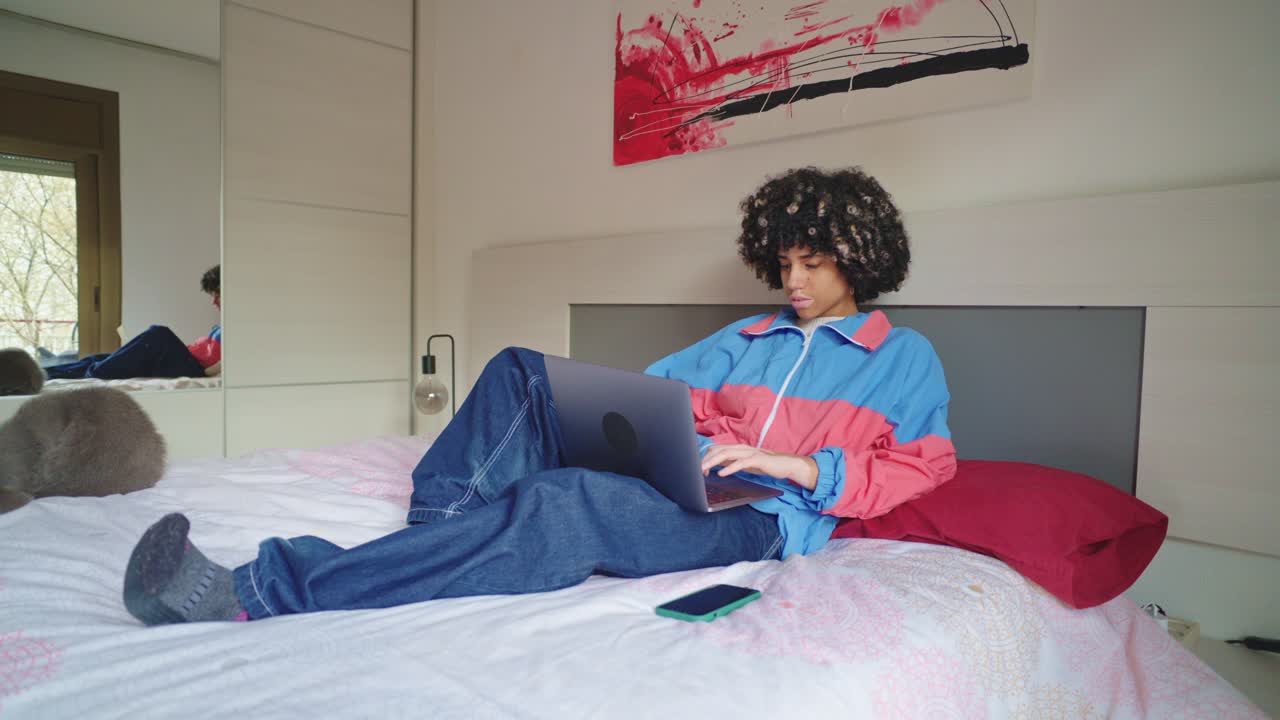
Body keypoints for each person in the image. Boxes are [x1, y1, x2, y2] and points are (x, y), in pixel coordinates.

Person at [121, 167, 957, 625]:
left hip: (759, 519)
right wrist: (697, 434)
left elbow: (921, 467)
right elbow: (652, 397)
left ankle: (258, 591)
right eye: (783, 263)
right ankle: (447, 540)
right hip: (686, 479)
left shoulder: (904, 358)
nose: (793, 281)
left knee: (564, 503)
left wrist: (796, 465)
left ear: (860, 257)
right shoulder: (744, 338)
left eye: (812, 263)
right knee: (524, 367)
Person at [45, 264, 222, 380]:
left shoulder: (244, 326)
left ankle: (95, 375)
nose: (213, 302)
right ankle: (44, 375)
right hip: (188, 362)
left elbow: (225, 365)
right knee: (101, 358)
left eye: (218, 294)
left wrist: (204, 375)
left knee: (159, 335)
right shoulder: (223, 326)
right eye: (212, 295)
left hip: (194, 370)